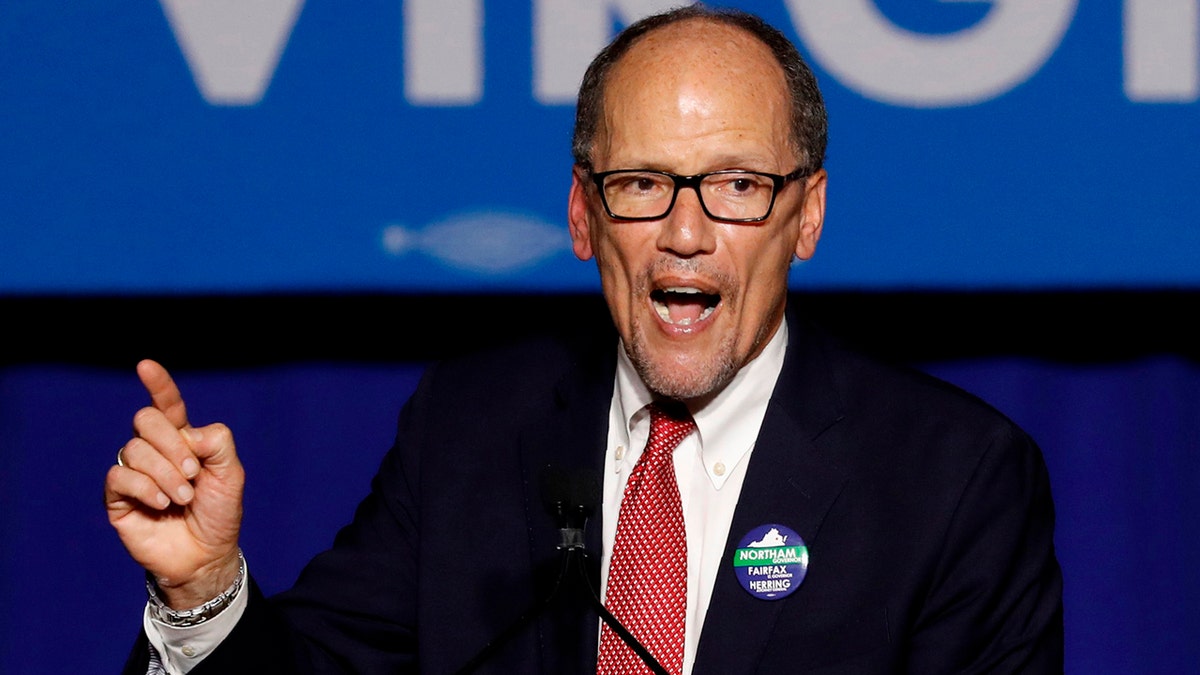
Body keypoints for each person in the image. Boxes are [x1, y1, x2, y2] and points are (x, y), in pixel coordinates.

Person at [105, 4, 1064, 674]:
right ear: (581, 215)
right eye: (642, 183)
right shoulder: (472, 428)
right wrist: (203, 587)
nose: (684, 232)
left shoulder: (952, 478)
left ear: (806, 217)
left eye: (735, 185)